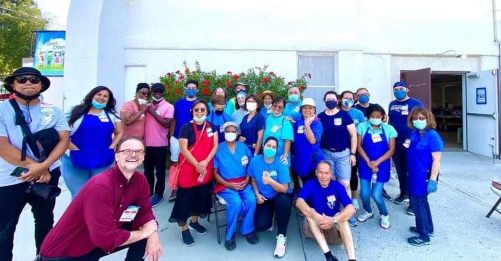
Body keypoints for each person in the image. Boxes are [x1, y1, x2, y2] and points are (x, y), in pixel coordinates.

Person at [38, 137, 163, 261]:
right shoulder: (101, 186)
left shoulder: (140, 181)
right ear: (116, 156)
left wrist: (152, 233)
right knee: (144, 232)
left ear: (143, 157)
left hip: (96, 243)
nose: (133, 155)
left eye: (138, 151)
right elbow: (105, 239)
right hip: (66, 253)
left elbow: (145, 213)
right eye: (127, 151)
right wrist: (144, 233)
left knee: (148, 226)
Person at [0, 67, 70, 261]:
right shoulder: (2, 109)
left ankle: (44, 257)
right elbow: (3, 147)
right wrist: (38, 167)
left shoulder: (54, 110)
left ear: (41, 85)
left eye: (33, 80)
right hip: (10, 177)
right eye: (22, 80)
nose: (28, 83)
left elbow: (64, 140)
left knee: (45, 222)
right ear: (13, 85)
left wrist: (45, 165)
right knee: (4, 228)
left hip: (47, 175)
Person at [169, 100, 218, 246]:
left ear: (207, 111)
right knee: (185, 200)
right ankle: (184, 229)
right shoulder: (186, 127)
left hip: (205, 170)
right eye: (197, 109)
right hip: (189, 170)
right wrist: (197, 164)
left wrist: (205, 162)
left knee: (201, 197)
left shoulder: (212, 127)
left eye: (203, 109)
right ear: (192, 111)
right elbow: (183, 149)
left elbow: (215, 145)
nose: (200, 112)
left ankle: (194, 222)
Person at [63, 86, 124, 198]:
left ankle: (94, 215)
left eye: (105, 96)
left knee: (98, 193)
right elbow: (61, 132)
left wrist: (111, 147)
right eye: (99, 94)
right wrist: (72, 148)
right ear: (92, 95)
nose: (102, 97)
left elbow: (120, 132)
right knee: (79, 195)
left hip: (102, 160)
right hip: (74, 159)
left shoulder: (112, 115)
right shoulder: (74, 111)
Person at [296, 161, 356, 261]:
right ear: (316, 172)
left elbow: (351, 209)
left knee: (342, 217)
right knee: (309, 213)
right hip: (314, 229)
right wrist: (316, 215)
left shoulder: (337, 186)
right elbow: (299, 202)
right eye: (321, 172)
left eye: (327, 173)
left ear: (331, 174)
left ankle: (352, 259)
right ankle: (328, 256)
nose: (324, 176)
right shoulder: (310, 184)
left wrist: (333, 220)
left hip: (334, 231)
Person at [213, 122, 258, 251]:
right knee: (236, 202)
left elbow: (250, 166)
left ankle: (247, 230)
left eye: (233, 131)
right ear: (224, 133)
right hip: (226, 184)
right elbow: (215, 173)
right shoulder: (218, 149)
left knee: (251, 200)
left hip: (244, 182)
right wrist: (229, 185)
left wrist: (247, 179)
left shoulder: (243, 147)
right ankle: (230, 234)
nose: (231, 134)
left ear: (237, 133)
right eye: (228, 131)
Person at [318, 91, 357, 226]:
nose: (330, 101)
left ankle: (348, 212)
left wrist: (353, 154)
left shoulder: (344, 115)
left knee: (345, 183)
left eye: (333, 99)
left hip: (343, 155)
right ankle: (334, 211)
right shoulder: (321, 117)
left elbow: (353, 135)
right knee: (331, 182)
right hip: (327, 154)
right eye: (328, 99)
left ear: (338, 100)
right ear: (324, 100)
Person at [249, 137, 292, 258]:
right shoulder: (255, 161)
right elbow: (252, 180)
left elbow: (284, 188)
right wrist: (257, 194)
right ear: (263, 146)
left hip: (280, 196)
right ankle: (271, 217)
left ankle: (281, 237)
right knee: (261, 225)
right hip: (265, 198)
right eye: (268, 146)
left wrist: (270, 181)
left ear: (277, 150)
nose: (270, 149)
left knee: (283, 202)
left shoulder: (281, 162)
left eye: (274, 147)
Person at [356, 104, 397, 229]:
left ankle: (384, 214)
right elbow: (359, 146)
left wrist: (377, 162)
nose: (375, 118)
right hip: (364, 163)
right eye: (372, 116)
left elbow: (391, 150)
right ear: (368, 117)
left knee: (376, 194)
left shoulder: (389, 129)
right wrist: (368, 161)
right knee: (364, 193)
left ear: (383, 116)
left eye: (378, 116)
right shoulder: (362, 127)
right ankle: (368, 211)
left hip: (382, 164)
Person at [406, 108, 443, 246]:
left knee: (418, 203)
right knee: (422, 202)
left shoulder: (432, 136)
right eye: (415, 118)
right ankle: (427, 228)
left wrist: (432, 180)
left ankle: (423, 236)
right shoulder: (415, 133)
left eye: (421, 118)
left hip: (423, 176)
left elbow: (437, 160)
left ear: (428, 119)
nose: (418, 121)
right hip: (414, 174)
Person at [388, 81, 424, 214]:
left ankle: (414, 203)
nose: (398, 91)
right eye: (395, 89)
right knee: (400, 170)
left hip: (411, 143)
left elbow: (421, 121)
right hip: (396, 143)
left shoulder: (415, 103)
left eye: (401, 89)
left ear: (407, 90)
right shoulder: (392, 104)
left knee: (412, 171)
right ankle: (404, 193)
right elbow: (390, 121)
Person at [144, 83, 174, 207]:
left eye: (160, 91)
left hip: (160, 144)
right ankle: (148, 192)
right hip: (146, 144)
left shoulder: (168, 106)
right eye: (155, 91)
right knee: (147, 171)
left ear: (163, 92)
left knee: (160, 171)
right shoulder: (147, 105)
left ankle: (159, 194)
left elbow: (167, 123)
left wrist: (153, 112)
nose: (157, 93)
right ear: (152, 92)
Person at [169, 79, 199, 201]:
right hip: (177, 137)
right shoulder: (178, 103)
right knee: (176, 163)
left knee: (191, 162)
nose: (191, 89)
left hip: (193, 138)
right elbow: (174, 120)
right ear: (185, 89)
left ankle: (190, 187)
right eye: (189, 87)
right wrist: (171, 136)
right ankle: (174, 188)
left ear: (197, 90)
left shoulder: (199, 104)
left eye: (193, 88)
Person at [340, 91, 365, 212]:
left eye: (350, 98)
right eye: (346, 98)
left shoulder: (358, 113)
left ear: (354, 100)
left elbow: (362, 131)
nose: (348, 100)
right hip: (339, 148)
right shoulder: (336, 111)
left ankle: (354, 198)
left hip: (354, 149)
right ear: (341, 99)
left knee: (353, 174)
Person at [292, 98, 324, 183]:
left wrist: (307, 124)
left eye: (310, 108)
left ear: (314, 109)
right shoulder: (298, 122)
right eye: (304, 108)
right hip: (301, 158)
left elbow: (312, 141)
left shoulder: (317, 122)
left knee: (314, 184)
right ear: (301, 109)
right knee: (305, 182)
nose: (307, 110)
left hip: (312, 160)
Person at [263, 97, 294, 166]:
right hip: (267, 154)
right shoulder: (267, 118)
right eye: (275, 106)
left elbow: (287, 140)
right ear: (272, 105)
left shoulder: (285, 120)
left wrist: (285, 156)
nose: (277, 108)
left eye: (280, 107)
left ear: (283, 109)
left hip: (280, 156)